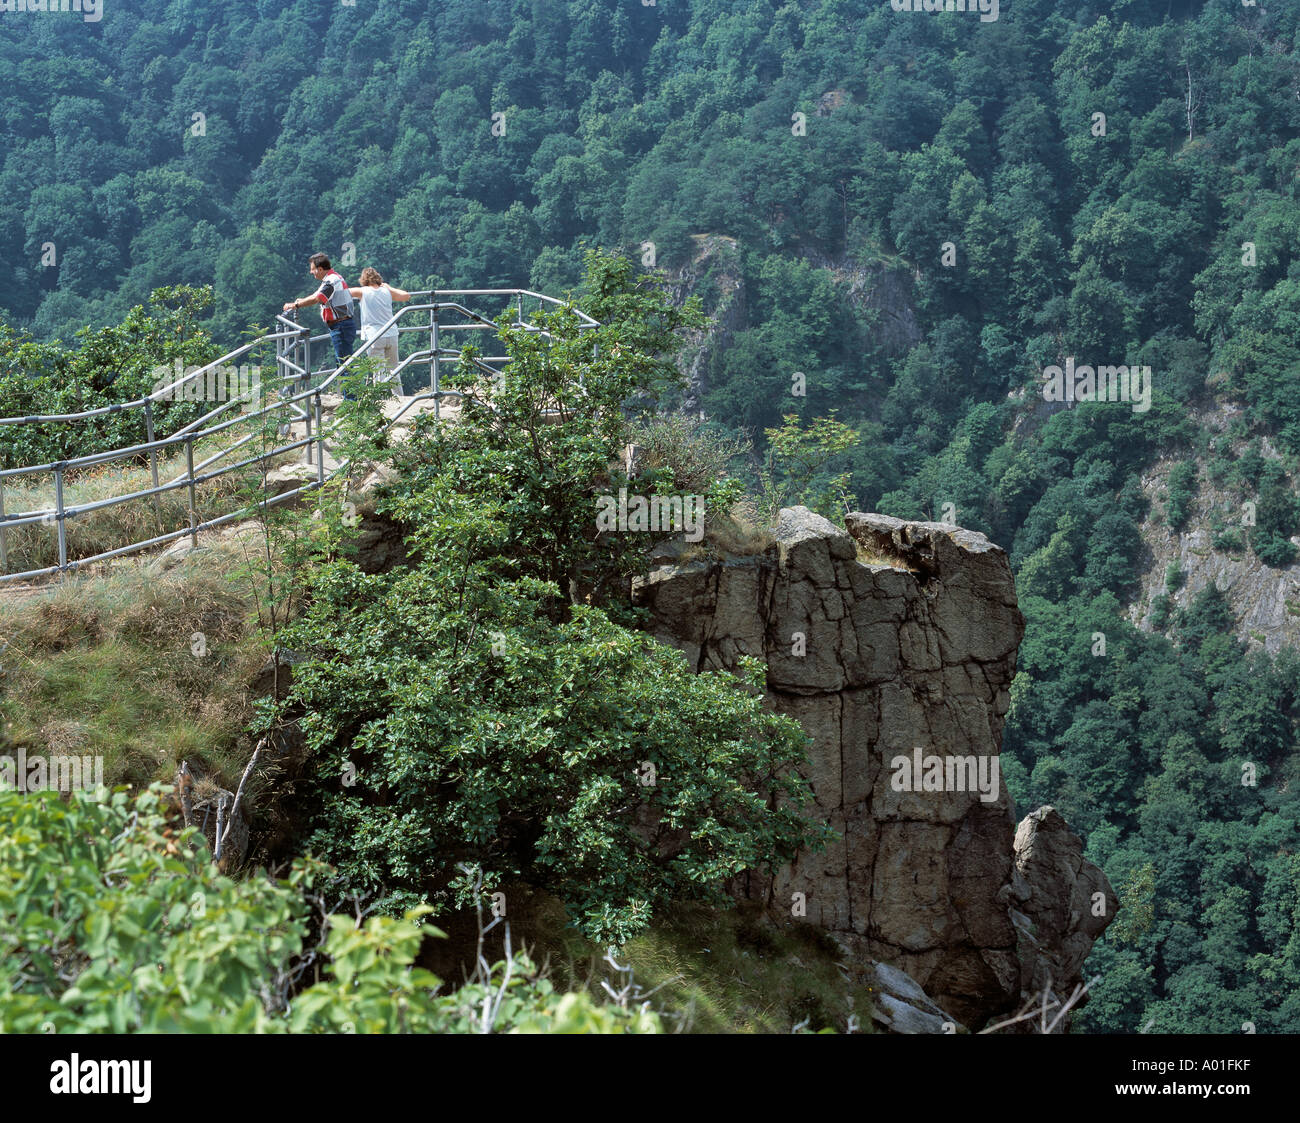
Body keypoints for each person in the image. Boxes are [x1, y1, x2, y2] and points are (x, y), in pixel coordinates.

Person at [282, 253, 356, 371]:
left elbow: (318, 298)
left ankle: (349, 390)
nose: (311, 272)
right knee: (344, 362)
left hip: (340, 326)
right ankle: (348, 389)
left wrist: (295, 305)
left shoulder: (331, 281)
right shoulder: (333, 277)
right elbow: (316, 294)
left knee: (344, 366)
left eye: (312, 269)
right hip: (343, 325)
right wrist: (302, 300)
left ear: (320, 269)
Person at [348, 267, 412, 396]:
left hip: (374, 335)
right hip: (392, 333)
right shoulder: (386, 291)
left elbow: (344, 292)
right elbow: (406, 296)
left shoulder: (362, 291)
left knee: (379, 371)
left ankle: (380, 399)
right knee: (394, 369)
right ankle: (399, 398)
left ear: (363, 280)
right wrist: (389, 287)